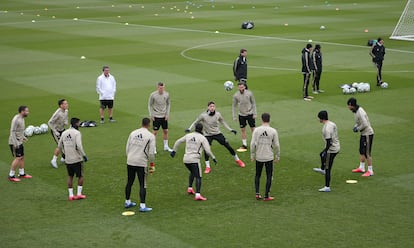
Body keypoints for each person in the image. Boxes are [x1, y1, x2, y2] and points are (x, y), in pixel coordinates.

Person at [186, 101, 245, 174]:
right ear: (208, 107)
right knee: (206, 150)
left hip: (217, 133)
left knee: (228, 146)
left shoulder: (218, 114)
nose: (212, 108)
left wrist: (230, 129)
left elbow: (223, 122)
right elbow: (195, 122)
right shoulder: (203, 115)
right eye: (211, 106)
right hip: (207, 135)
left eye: (213, 106)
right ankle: (208, 167)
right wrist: (189, 128)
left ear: (215, 107)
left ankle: (238, 160)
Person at [170, 123, 217, 201]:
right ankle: (198, 194)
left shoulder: (188, 135)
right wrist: (213, 158)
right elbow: (208, 151)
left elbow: (178, 141)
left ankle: (190, 188)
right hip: (194, 159)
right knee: (198, 176)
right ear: (202, 129)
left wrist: (174, 151)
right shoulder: (202, 138)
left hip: (185, 159)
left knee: (192, 172)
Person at [124, 117, 155, 212]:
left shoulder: (133, 133)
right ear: (149, 125)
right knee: (143, 184)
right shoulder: (150, 136)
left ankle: (127, 201)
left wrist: (129, 157)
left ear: (142, 123)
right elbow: (151, 153)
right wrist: (152, 164)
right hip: (141, 162)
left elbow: (127, 147)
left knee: (130, 181)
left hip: (130, 160)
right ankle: (142, 206)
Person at [250, 113, 280, 201]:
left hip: (259, 156)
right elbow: (277, 145)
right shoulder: (273, 131)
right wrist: (277, 156)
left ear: (262, 120)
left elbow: (252, 144)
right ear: (269, 119)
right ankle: (266, 195)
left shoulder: (256, 130)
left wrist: (252, 154)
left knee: (258, 175)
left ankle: (257, 193)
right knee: (269, 175)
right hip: (269, 157)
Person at [58, 118, 88, 200]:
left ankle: (71, 195)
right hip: (77, 159)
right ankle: (79, 194)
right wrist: (84, 155)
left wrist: (63, 154)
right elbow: (79, 145)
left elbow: (59, 145)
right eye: (78, 123)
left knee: (70, 176)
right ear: (76, 124)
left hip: (68, 159)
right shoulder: (77, 133)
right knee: (80, 176)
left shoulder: (64, 133)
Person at [313, 111, 340, 192]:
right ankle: (322, 168)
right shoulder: (331, 124)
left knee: (328, 167)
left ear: (321, 118)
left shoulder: (327, 129)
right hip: (336, 146)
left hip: (332, 149)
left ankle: (327, 186)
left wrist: (325, 151)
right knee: (321, 155)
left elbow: (329, 142)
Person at [347, 98, 375, 177]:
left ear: (351, 105)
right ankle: (361, 167)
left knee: (367, 153)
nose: (348, 107)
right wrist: (355, 126)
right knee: (361, 151)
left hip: (367, 134)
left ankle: (370, 170)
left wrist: (358, 128)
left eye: (348, 105)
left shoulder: (360, 112)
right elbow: (358, 122)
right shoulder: (355, 111)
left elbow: (365, 124)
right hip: (363, 134)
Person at [8, 106, 32, 182]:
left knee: (22, 157)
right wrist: (15, 143)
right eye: (26, 111)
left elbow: (19, 131)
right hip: (15, 142)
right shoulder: (16, 119)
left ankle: (22, 173)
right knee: (18, 158)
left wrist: (23, 137)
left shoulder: (22, 118)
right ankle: (11, 175)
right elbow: (12, 131)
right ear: (22, 111)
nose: (28, 112)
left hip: (19, 141)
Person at [148, 82, 172, 153]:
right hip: (156, 116)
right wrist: (151, 114)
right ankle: (153, 147)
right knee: (154, 132)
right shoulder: (153, 95)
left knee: (165, 131)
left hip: (164, 116)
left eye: (163, 88)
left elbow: (168, 104)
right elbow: (150, 105)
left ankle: (166, 146)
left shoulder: (167, 94)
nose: (161, 89)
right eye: (160, 88)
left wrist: (167, 114)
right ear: (157, 87)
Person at [232, 81, 257, 151]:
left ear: (244, 87)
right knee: (243, 130)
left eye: (242, 87)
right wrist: (234, 116)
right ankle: (244, 144)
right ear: (238, 88)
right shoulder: (235, 95)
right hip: (241, 115)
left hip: (250, 114)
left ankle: (255, 143)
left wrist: (255, 113)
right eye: (239, 87)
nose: (241, 88)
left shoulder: (249, 93)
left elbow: (253, 103)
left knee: (253, 129)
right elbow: (234, 106)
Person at [48, 99, 69, 168]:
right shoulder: (57, 113)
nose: (67, 105)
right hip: (56, 131)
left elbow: (66, 118)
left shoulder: (66, 111)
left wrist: (66, 122)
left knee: (66, 143)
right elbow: (50, 122)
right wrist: (55, 131)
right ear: (61, 105)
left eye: (67, 103)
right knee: (60, 146)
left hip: (62, 130)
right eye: (65, 104)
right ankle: (53, 160)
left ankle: (64, 158)